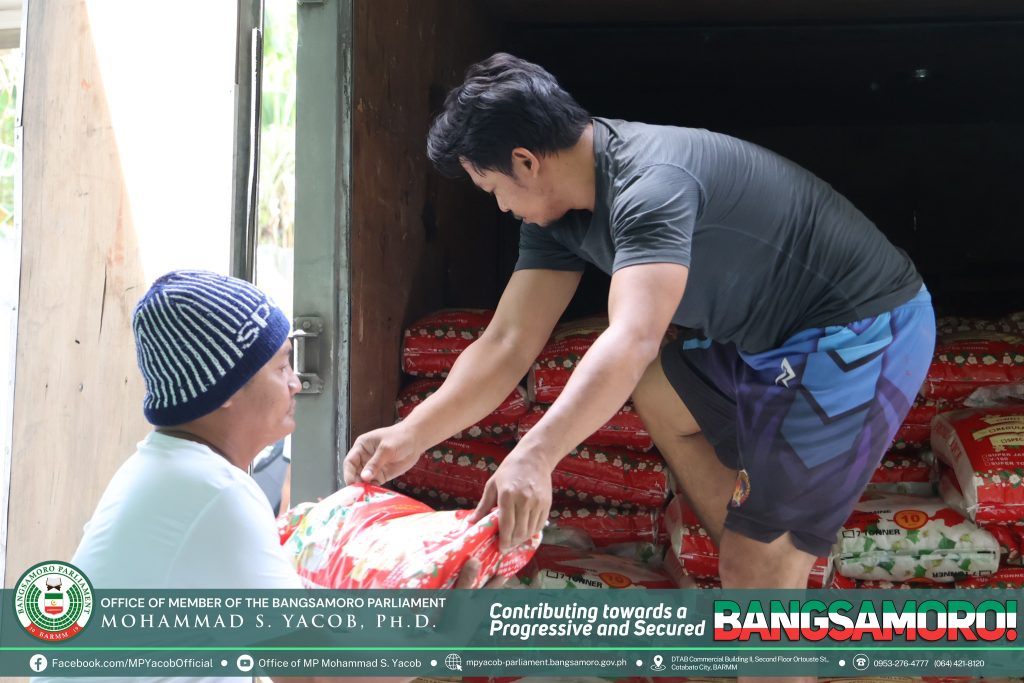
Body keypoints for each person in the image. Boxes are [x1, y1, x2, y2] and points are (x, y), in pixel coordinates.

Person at [345, 53, 934, 599]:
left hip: (860, 329)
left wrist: (535, 454)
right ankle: (772, 573)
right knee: (661, 392)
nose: (500, 207)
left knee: (756, 571)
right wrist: (413, 433)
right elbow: (508, 340)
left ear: (525, 161)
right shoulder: (556, 212)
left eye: (493, 189)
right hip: (773, 343)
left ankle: (768, 576)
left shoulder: (650, 185)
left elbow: (631, 338)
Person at [40, 270, 485, 683]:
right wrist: (449, 639)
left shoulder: (166, 469)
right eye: (280, 366)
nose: (294, 383)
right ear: (227, 388)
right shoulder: (215, 493)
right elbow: (314, 675)